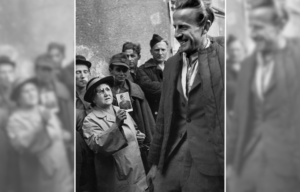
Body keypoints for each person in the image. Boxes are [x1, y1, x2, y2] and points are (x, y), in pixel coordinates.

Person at [147, 0, 224, 191]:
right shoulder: (172, 64)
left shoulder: (225, 60)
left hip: (211, 164)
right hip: (172, 157)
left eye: (184, 27)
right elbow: (164, 117)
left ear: (205, 26)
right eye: (175, 27)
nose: (177, 34)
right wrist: (155, 162)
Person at [227, 1, 300, 191]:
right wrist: (230, 162)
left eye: (259, 27)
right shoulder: (248, 64)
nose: (253, 33)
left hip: (287, 166)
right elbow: (240, 117)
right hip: (247, 161)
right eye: (250, 26)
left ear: (278, 25)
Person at [81, 76, 148, 192]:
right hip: (118, 178)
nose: (106, 93)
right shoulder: (90, 120)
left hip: (138, 171)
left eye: (107, 89)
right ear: (93, 99)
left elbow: (132, 130)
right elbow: (98, 146)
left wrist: (137, 136)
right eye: (100, 92)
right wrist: (116, 125)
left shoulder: (119, 109)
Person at [5, 77, 72, 192]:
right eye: (26, 91)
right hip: (41, 180)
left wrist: (64, 135)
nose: (31, 94)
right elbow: (23, 145)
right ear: (18, 98)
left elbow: (57, 133)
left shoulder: (44, 110)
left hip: (62, 174)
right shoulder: (15, 120)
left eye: (33, 90)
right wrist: (41, 125)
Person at [136, 34, 168, 120]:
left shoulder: (173, 67)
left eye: (163, 50)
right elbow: (151, 89)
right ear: (151, 52)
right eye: (157, 50)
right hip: (154, 113)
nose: (160, 53)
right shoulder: (142, 70)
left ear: (167, 50)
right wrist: (173, 86)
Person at [226, 35, 245, 114]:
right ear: (227, 51)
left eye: (238, 50)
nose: (235, 53)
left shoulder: (249, 67)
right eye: (232, 50)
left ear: (243, 50)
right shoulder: (223, 67)